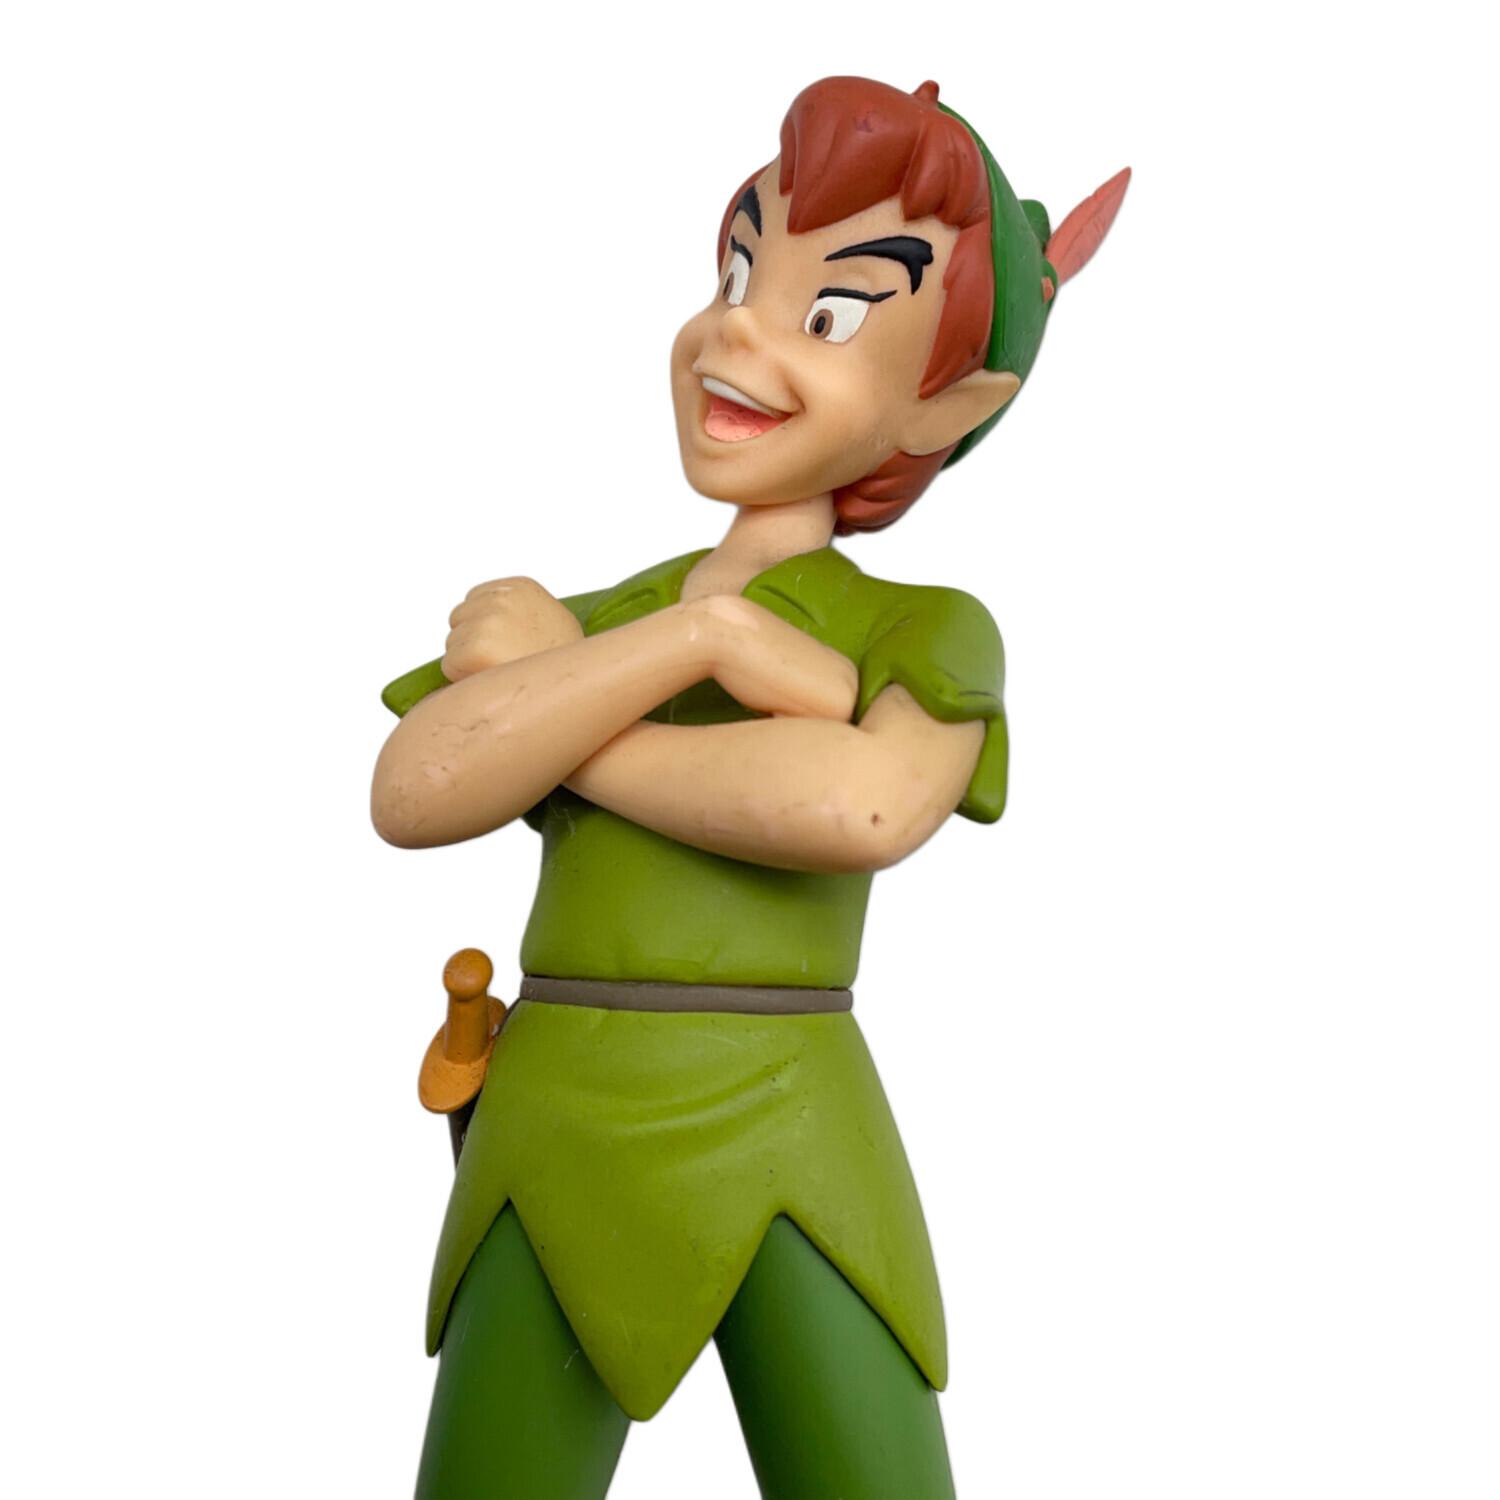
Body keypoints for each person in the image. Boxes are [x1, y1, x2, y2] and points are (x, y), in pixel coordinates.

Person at [372, 73, 1126, 1500]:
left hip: (794, 1125)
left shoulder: (925, 628)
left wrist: (565, 714)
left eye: (827, 314)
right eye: (738, 274)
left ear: (949, 402)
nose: (736, 332)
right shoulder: (607, 616)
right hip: (550, 1124)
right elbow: (417, 788)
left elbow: (860, 806)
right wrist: (696, 641)